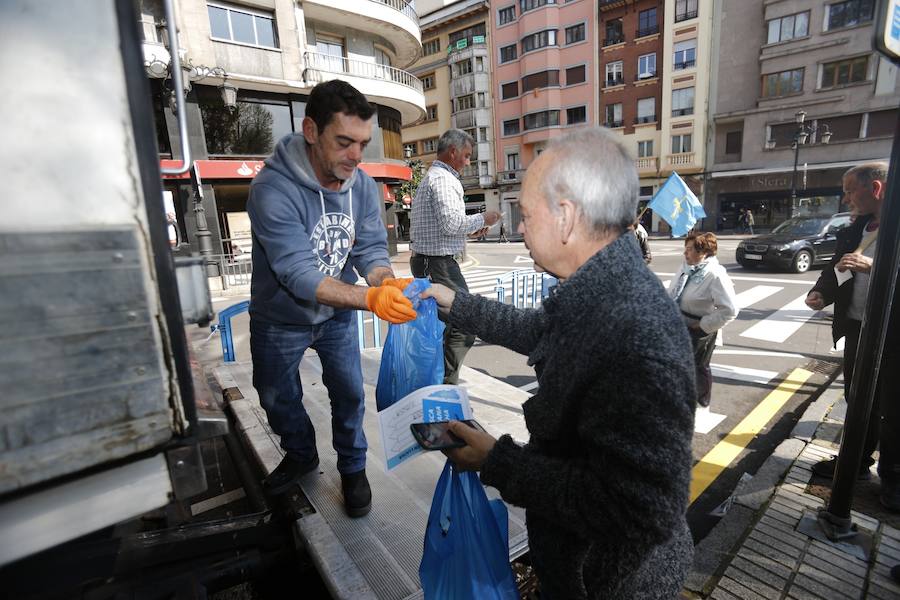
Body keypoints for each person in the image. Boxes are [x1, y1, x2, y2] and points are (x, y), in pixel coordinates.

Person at [421, 127, 695, 599]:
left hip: (609, 586)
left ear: (566, 218)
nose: (521, 228)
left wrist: (496, 459)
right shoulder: (599, 289)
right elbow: (540, 330)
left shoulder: (637, 336)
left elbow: (638, 510)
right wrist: (456, 303)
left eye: (526, 215)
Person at [246, 80, 417, 516]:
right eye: (343, 142)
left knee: (349, 393)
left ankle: (353, 468)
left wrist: (384, 280)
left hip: (337, 315)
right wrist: (370, 300)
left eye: (362, 143)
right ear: (310, 130)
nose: (356, 156)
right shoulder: (271, 189)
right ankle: (301, 453)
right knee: (274, 396)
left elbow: (370, 249)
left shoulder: (360, 185)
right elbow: (298, 274)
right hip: (279, 318)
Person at [805, 162, 899, 510]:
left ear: (875, 189)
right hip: (859, 327)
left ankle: (894, 477)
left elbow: (873, 268)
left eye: (849, 190)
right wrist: (821, 293)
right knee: (858, 399)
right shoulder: (859, 226)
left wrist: (876, 265)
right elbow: (837, 267)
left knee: (893, 406)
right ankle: (855, 464)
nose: (845, 198)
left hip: (894, 333)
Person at [409, 129, 501, 384]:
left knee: (442, 325)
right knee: (465, 321)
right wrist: (485, 218)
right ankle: (444, 383)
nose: (468, 162)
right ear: (453, 152)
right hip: (437, 264)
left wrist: (470, 232)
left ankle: (434, 378)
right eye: (467, 156)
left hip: (432, 260)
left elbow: (440, 229)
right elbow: (450, 224)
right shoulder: (444, 179)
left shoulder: (435, 177)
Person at [668, 232, 739, 410]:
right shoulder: (686, 267)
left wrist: (702, 324)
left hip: (699, 330)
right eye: (685, 248)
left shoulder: (715, 275)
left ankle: (702, 398)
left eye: (690, 250)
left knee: (699, 367)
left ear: (704, 252)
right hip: (679, 324)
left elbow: (730, 309)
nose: (685, 253)